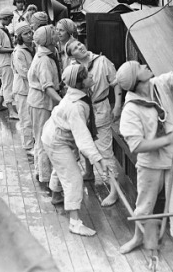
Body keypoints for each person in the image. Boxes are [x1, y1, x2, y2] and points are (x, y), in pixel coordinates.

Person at [116, 39, 173, 271]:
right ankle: (142, 239)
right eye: (140, 66)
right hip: (151, 162)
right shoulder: (130, 111)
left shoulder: (160, 84)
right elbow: (137, 146)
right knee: (145, 205)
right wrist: (167, 139)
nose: (144, 65)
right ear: (136, 80)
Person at [41, 64, 110, 236]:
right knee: (73, 177)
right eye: (87, 76)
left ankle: (57, 195)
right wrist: (98, 159)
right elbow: (83, 137)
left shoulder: (78, 95)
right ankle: (75, 223)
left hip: (54, 133)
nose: (91, 76)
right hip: (56, 140)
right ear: (79, 84)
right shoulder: (76, 106)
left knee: (63, 166)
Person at [66, 39, 122, 206]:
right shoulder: (72, 67)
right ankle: (89, 172)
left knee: (105, 149)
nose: (80, 47)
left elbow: (116, 83)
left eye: (79, 44)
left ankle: (114, 190)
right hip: (81, 109)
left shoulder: (102, 61)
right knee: (83, 141)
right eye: (75, 48)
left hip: (100, 108)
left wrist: (118, 105)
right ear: (71, 54)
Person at [27, 25, 62, 187]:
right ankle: (45, 176)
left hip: (39, 101)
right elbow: (47, 86)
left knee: (40, 136)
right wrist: (62, 103)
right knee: (42, 138)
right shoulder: (44, 60)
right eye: (53, 33)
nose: (56, 35)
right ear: (47, 40)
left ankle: (40, 171)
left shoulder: (46, 54)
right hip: (41, 103)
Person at [12, 21, 35, 153]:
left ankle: (34, 141)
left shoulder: (34, 47)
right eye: (25, 34)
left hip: (32, 88)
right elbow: (24, 72)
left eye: (30, 32)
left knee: (33, 117)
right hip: (22, 90)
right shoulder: (19, 52)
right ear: (20, 37)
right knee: (26, 119)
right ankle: (28, 146)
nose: (29, 35)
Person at [0, 8, 18, 120]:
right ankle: (11, 112)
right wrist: (13, 49)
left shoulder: (2, 29)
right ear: (5, 18)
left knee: (4, 84)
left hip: (3, 62)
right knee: (8, 86)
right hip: (4, 63)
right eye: (10, 19)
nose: (11, 22)